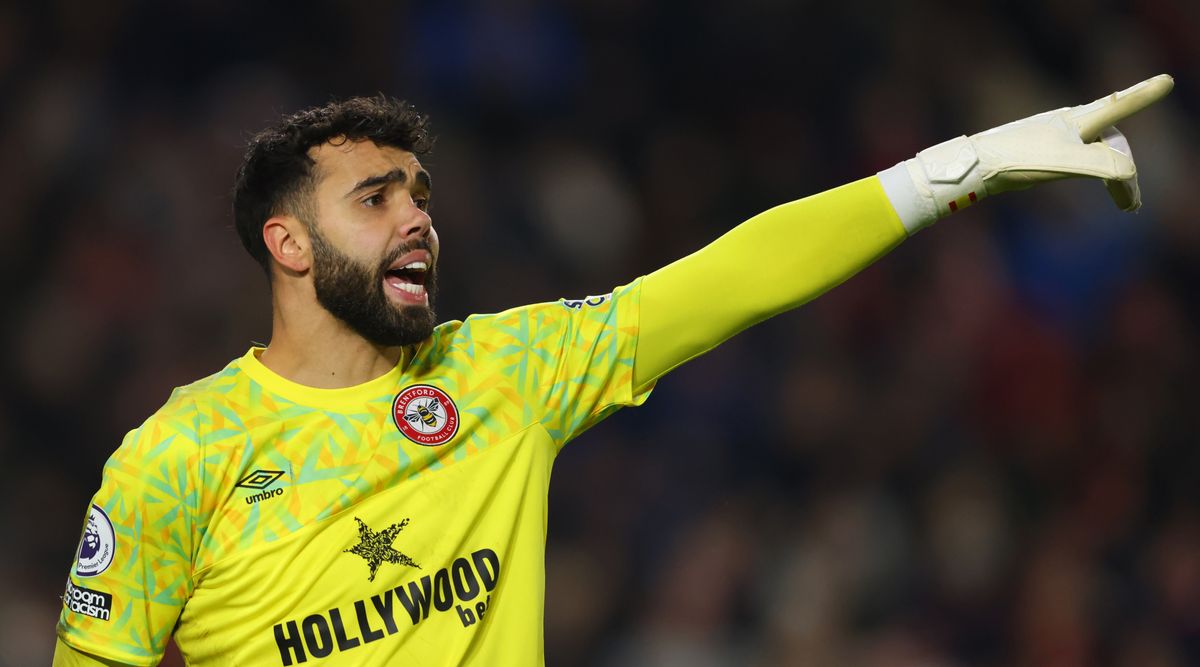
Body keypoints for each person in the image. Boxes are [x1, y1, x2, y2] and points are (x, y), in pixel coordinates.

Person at [54, 74, 1173, 666]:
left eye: (423, 197)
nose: (417, 221)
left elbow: (726, 279)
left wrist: (954, 169)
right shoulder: (177, 457)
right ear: (286, 244)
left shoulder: (499, 370)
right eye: (375, 198)